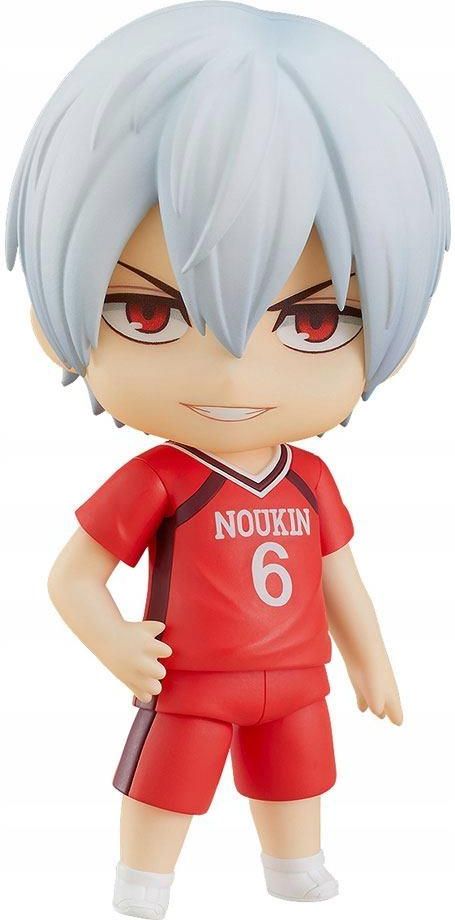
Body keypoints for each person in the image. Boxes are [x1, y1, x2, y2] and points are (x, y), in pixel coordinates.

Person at [7, 3, 449, 916]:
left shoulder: (310, 478)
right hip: (192, 680)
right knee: (166, 787)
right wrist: (117, 643)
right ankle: (143, 881)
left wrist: (369, 658)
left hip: (297, 679)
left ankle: (294, 868)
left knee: (298, 779)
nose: (237, 372)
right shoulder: (160, 479)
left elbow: (340, 577)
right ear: (58, 322)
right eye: (149, 313)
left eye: (313, 321)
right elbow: (71, 577)